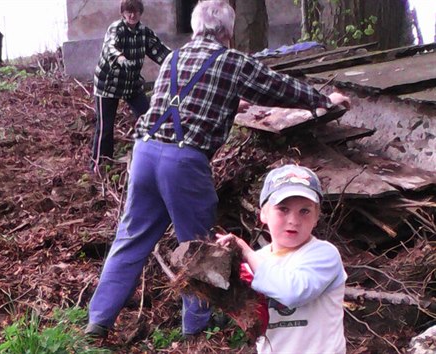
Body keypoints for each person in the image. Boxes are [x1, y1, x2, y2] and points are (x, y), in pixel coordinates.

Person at [85, 0, 351, 339]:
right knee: (198, 244)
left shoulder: (172, 57)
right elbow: (277, 87)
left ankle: (98, 321)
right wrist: (323, 99)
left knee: (131, 238)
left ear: (196, 28)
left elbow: (174, 100)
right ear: (227, 31)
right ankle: (197, 326)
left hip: (144, 154)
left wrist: (228, 102)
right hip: (183, 163)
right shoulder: (232, 61)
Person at [216, 164, 347, 353]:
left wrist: (246, 253)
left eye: (305, 211)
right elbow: (249, 317)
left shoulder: (324, 255)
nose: (293, 220)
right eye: (283, 209)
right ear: (264, 213)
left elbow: (293, 292)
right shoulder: (256, 260)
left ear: (317, 217)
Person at [90, 0, 171, 172]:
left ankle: (153, 158)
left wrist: (179, 61)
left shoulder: (144, 33)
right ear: (123, 13)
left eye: (135, 12)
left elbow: (161, 52)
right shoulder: (116, 29)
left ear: (140, 13)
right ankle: (99, 165)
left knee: (149, 119)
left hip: (132, 84)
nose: (132, 15)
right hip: (108, 85)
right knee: (105, 127)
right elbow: (109, 46)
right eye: (128, 12)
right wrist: (120, 58)